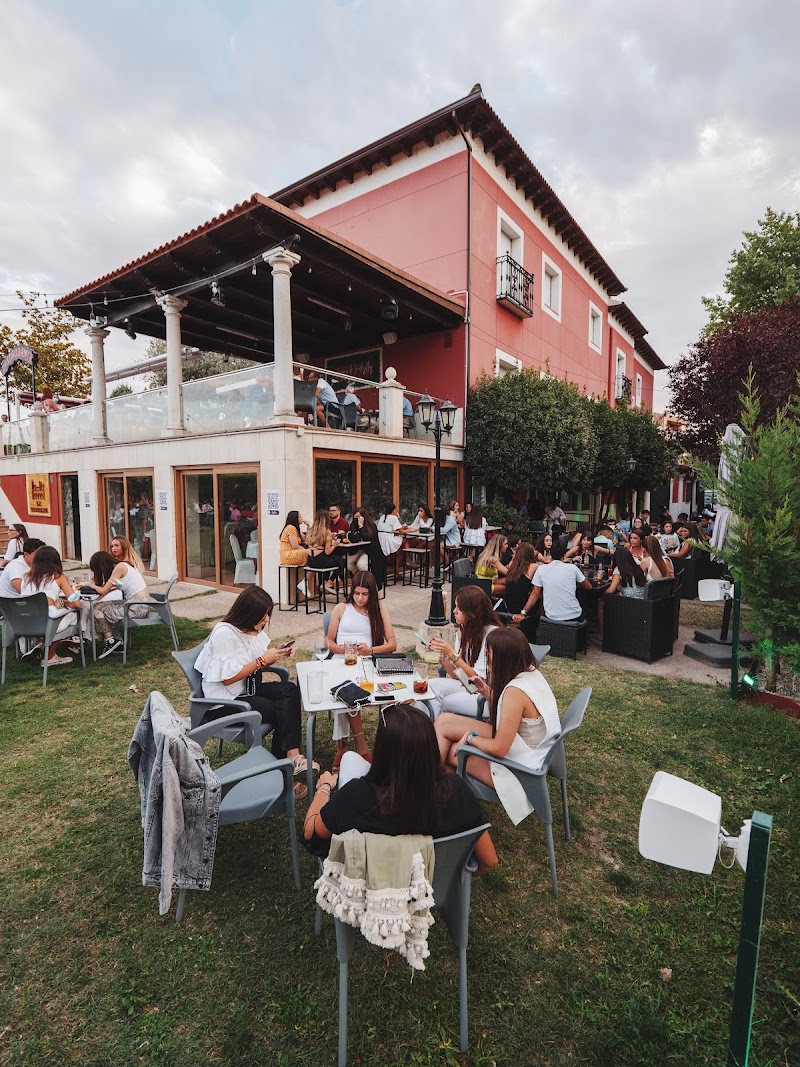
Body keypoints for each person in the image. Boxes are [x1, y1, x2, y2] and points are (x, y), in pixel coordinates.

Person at [303, 703, 497, 875]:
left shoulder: (357, 797)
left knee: (349, 759)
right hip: (431, 888)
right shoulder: (456, 792)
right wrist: (452, 878)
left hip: (369, 894)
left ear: (382, 751)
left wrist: (324, 787)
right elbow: (489, 860)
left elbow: (312, 833)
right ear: (430, 749)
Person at [434, 627, 561, 825]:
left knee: (451, 752)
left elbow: (500, 749)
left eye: (489, 653)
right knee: (444, 721)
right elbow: (515, 715)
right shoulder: (531, 673)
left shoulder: (514, 693)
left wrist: (470, 739)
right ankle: (437, 794)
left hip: (517, 769)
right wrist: (486, 691)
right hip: (523, 748)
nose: (487, 657)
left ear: (503, 658)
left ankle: (437, 801)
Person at [195, 586, 309, 797]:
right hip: (225, 701)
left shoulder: (252, 629)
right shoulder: (224, 633)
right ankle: (283, 777)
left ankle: (292, 755)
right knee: (280, 710)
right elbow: (228, 677)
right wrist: (262, 661)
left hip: (246, 690)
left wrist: (277, 652)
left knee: (290, 690)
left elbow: (254, 658)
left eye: (268, 614)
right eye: (262, 614)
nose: (266, 619)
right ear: (247, 613)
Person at [326, 572, 397, 767]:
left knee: (352, 690)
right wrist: (343, 649)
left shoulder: (379, 610)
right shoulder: (342, 608)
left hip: (366, 662)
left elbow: (392, 644)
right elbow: (329, 641)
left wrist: (371, 650)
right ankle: (351, 745)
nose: (359, 598)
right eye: (356, 593)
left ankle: (351, 745)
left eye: (364, 594)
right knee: (343, 691)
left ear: (372, 594)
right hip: (342, 660)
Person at [423, 586, 501, 719]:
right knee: (428, 687)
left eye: (459, 608)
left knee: (439, 697)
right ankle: (421, 731)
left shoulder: (491, 635)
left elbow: (478, 679)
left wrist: (452, 654)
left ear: (472, 611)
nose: (454, 611)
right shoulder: (463, 631)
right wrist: (446, 660)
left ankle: (432, 731)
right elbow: (460, 676)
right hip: (469, 687)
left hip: (487, 693)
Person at [84, 548, 151, 658]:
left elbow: (103, 590)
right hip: (138, 603)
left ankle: (111, 641)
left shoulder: (119, 568)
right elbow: (112, 587)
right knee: (99, 607)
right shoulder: (122, 565)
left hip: (137, 607)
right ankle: (116, 642)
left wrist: (91, 585)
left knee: (97, 611)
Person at [20, 546, 79, 667]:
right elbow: (76, 603)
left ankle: (41, 644)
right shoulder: (58, 577)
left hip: (25, 622)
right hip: (47, 622)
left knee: (55, 617)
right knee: (73, 616)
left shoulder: (26, 577)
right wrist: (65, 602)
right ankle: (50, 656)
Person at [513, 540, 591, 624]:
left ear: (550, 554)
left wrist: (523, 613)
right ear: (564, 555)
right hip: (574, 617)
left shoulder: (541, 569)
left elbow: (534, 595)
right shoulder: (573, 568)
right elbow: (589, 587)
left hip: (551, 618)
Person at [306, 510, 345, 593]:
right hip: (320, 561)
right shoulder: (326, 532)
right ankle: (328, 582)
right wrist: (335, 544)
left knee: (334, 559)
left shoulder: (311, 530)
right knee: (342, 562)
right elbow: (328, 552)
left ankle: (324, 582)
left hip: (310, 560)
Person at [346, 506, 385, 588]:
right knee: (348, 563)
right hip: (358, 550)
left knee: (361, 565)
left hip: (371, 551)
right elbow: (353, 538)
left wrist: (361, 527)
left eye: (359, 516)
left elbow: (367, 538)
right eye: (355, 517)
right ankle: (359, 579)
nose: (357, 519)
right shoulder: (353, 525)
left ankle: (369, 583)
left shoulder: (371, 525)